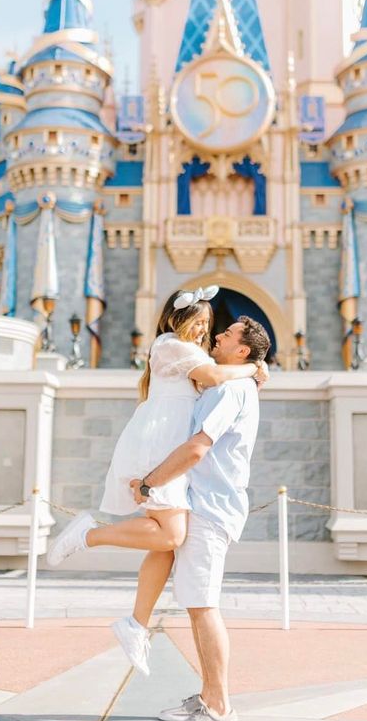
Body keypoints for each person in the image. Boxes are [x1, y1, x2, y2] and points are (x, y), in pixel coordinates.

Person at [46, 288, 268, 677]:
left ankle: (136, 624)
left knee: (166, 544)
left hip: (171, 450)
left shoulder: (195, 355)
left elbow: (215, 381)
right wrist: (255, 369)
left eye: (208, 324)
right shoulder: (169, 345)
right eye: (197, 322)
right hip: (160, 445)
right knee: (170, 537)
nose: (205, 330)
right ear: (176, 320)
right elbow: (216, 376)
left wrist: (250, 373)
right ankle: (89, 534)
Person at [130, 315, 271, 721]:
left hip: (211, 509)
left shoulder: (231, 388)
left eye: (227, 335)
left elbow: (196, 449)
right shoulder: (224, 383)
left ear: (242, 350)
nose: (218, 335)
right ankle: (210, 694)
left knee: (204, 606)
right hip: (201, 505)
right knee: (196, 604)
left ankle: (220, 709)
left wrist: (150, 482)